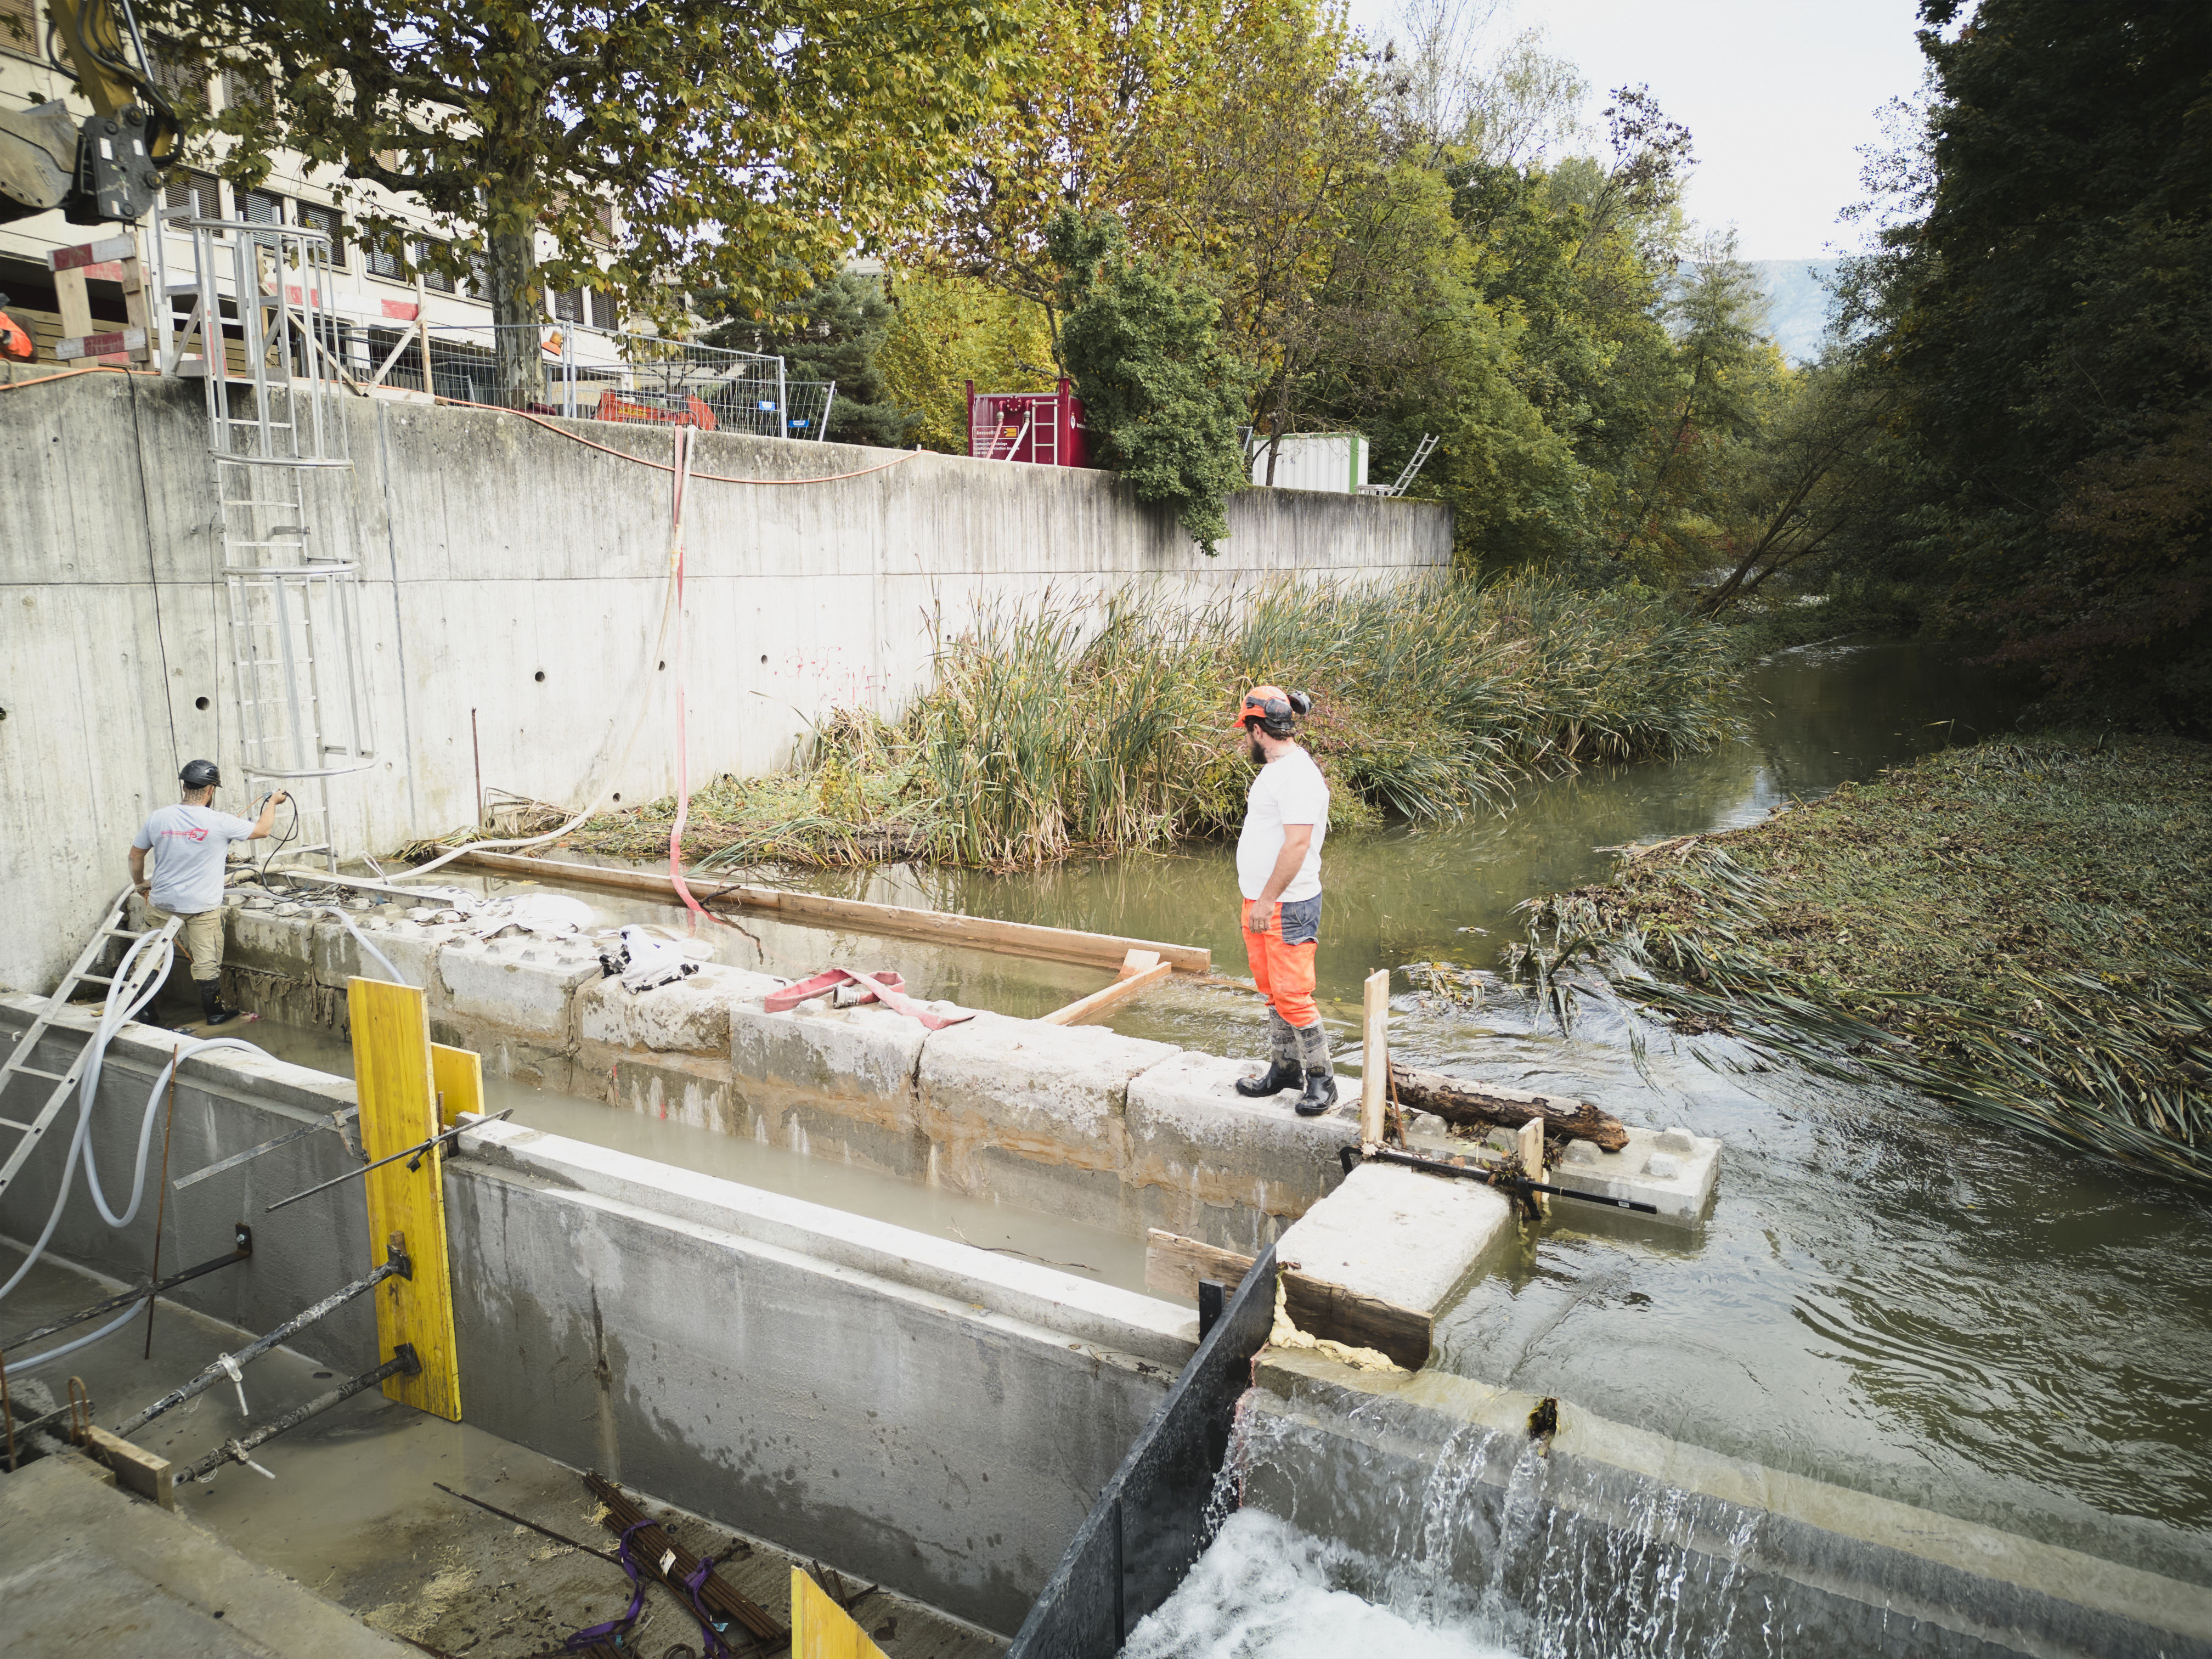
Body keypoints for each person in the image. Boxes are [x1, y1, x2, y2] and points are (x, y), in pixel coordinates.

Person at [1230, 685, 1336, 1115]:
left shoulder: (1298, 775)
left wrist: (1266, 901)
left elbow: (1297, 846)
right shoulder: (1277, 768)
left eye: (1247, 731)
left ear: (1258, 729)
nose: (1246, 740)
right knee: (1273, 991)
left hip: (1285, 905)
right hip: (1260, 901)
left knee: (1294, 995)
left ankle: (1322, 1080)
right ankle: (1285, 1069)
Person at [128, 760, 287, 1026]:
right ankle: (214, 1013)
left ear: (184, 785)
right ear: (211, 790)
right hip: (201, 906)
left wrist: (140, 883)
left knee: (149, 954)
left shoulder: (158, 817)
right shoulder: (220, 821)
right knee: (206, 959)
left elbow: (135, 855)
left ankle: (145, 1012)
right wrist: (272, 803)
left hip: (162, 901)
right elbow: (263, 830)